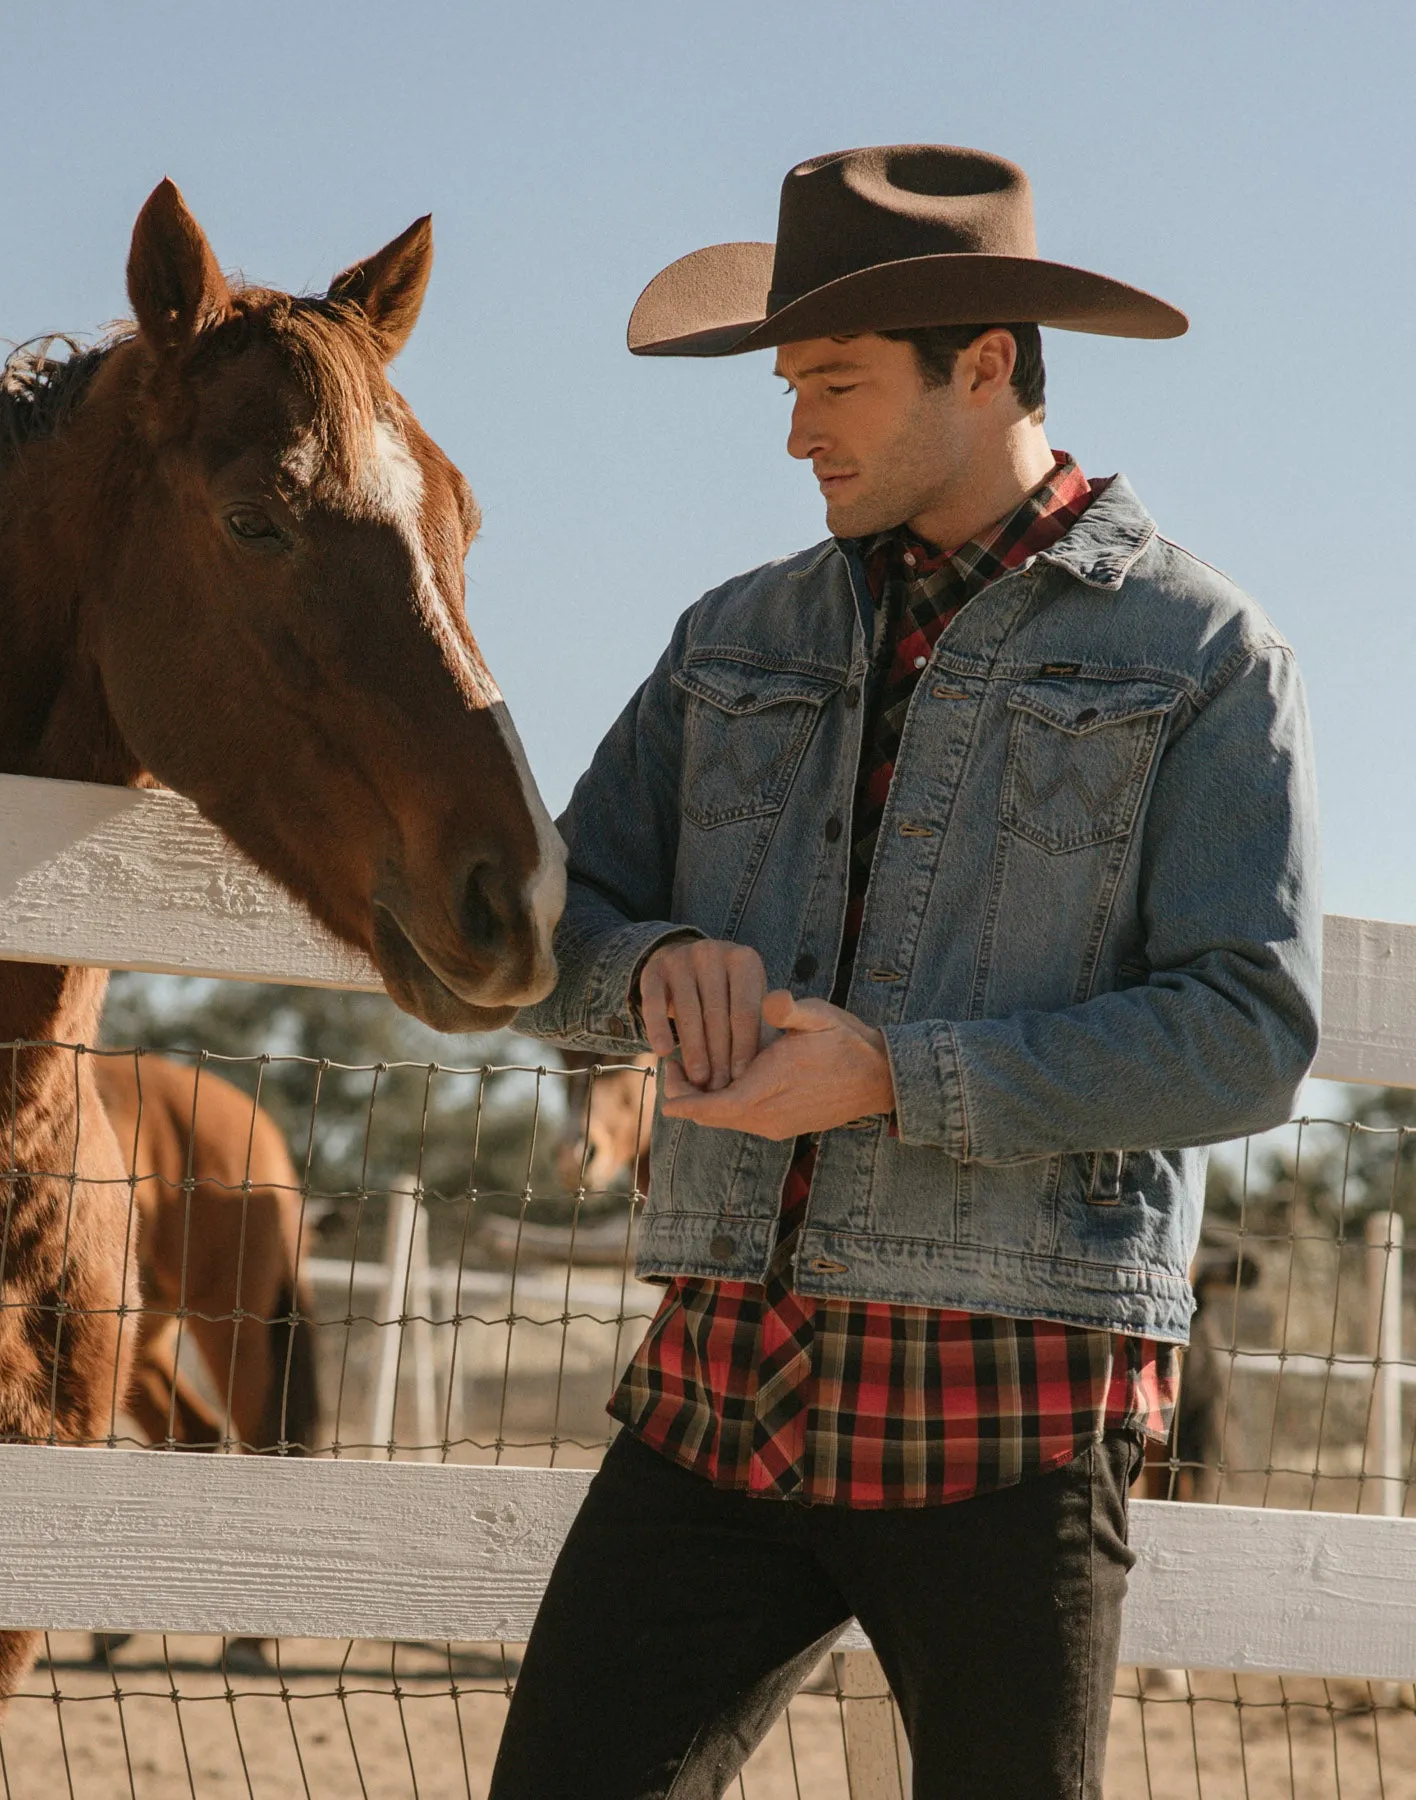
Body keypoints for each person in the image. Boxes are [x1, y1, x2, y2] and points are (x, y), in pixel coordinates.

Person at [495, 144, 1321, 1800]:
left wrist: (896, 1074)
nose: (798, 429)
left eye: (838, 384)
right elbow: (539, 933)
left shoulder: (1205, 654)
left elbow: (1249, 1035)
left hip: (1007, 1406)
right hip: (723, 1383)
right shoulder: (731, 637)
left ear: (989, 363)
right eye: (792, 382)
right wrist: (650, 965)